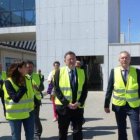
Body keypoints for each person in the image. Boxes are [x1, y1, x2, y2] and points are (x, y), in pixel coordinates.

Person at [104, 51, 140, 140]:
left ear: (130, 59)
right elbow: (109, 89)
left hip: (133, 106)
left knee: (136, 129)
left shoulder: (137, 71)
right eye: (122, 58)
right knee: (121, 129)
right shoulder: (114, 71)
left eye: (126, 57)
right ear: (119, 60)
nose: (124, 59)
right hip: (119, 106)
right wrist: (106, 104)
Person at [53, 51, 88, 140]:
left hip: (78, 107)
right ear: (65, 61)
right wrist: (67, 103)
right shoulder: (58, 72)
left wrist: (79, 102)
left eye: (73, 59)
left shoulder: (82, 72)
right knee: (63, 131)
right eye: (69, 59)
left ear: (76, 60)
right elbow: (57, 90)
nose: (72, 61)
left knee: (78, 131)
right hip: (63, 107)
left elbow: (85, 90)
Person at [3, 61, 35, 140]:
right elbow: (15, 98)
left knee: (30, 136)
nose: (27, 68)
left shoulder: (28, 78)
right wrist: (23, 88)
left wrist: (36, 102)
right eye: (25, 67)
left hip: (29, 111)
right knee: (16, 137)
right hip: (15, 115)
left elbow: (31, 93)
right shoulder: (8, 82)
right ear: (19, 69)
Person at [26, 61, 42, 140]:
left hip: (36, 100)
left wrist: (38, 88)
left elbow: (42, 88)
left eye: (31, 67)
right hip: (26, 101)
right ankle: (31, 134)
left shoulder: (37, 76)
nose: (30, 68)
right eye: (28, 67)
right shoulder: (23, 76)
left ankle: (37, 134)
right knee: (29, 119)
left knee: (35, 117)